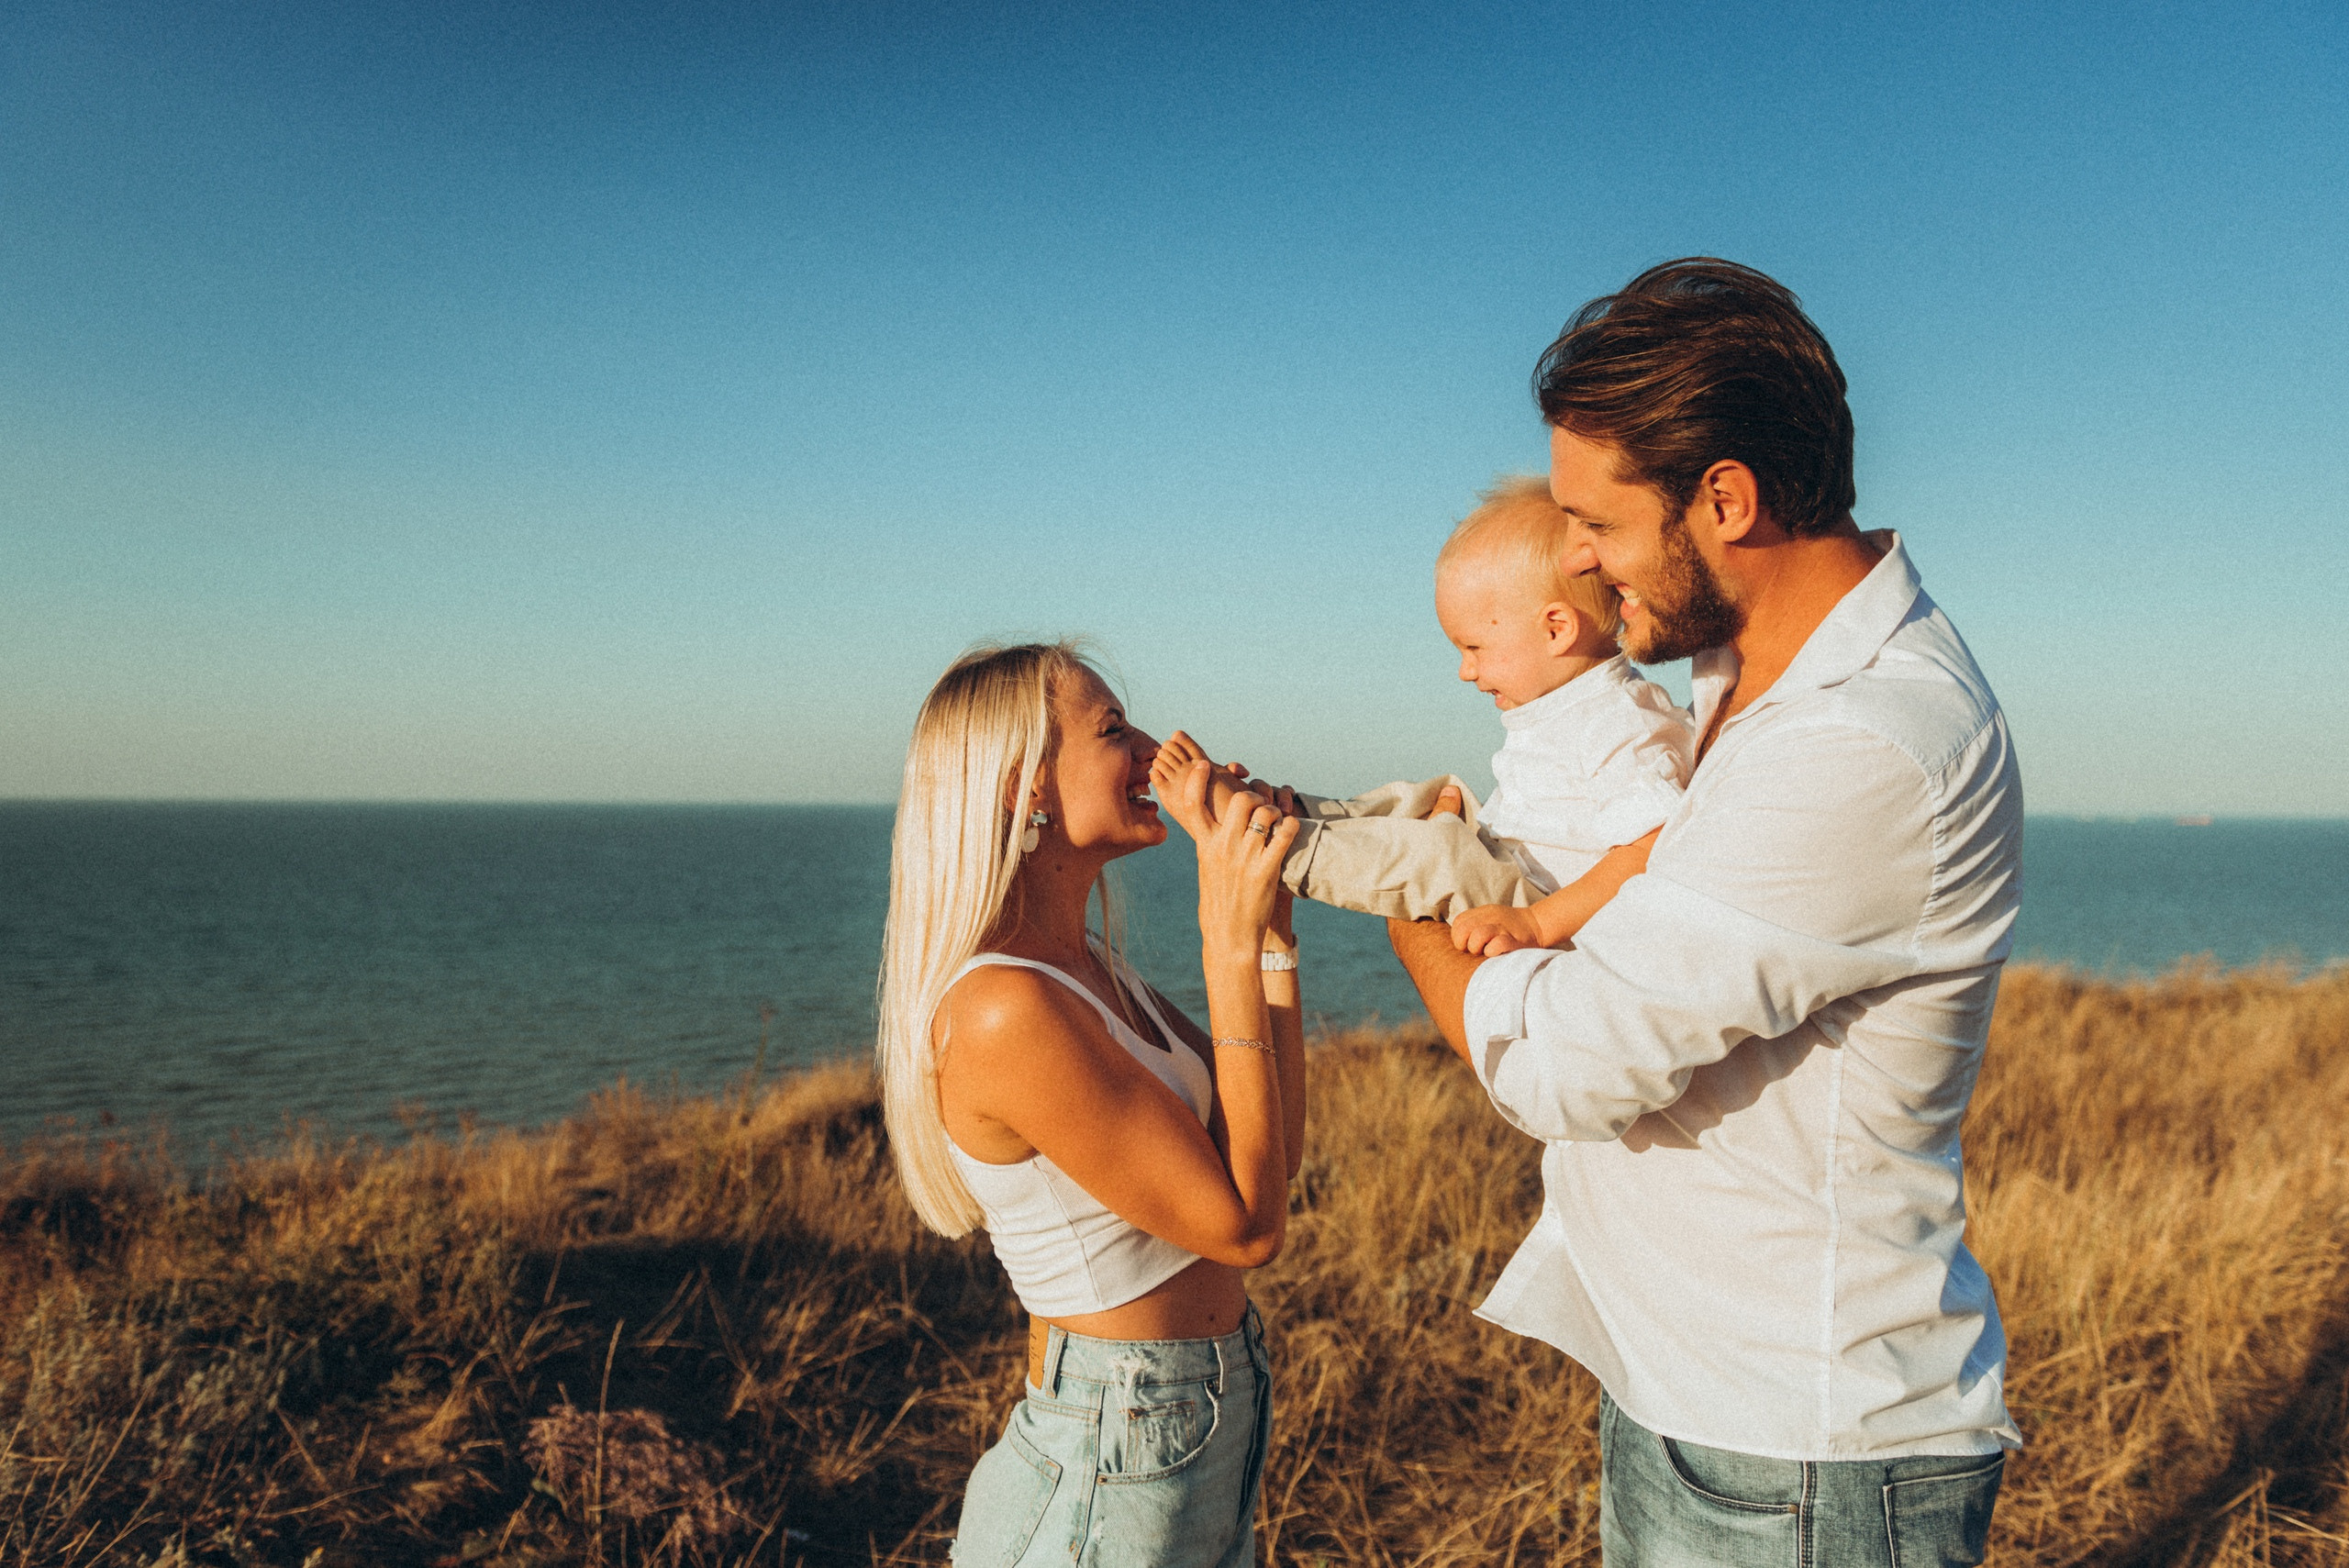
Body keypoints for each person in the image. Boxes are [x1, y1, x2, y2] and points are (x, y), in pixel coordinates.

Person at [1386, 259, 2023, 1567]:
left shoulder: (1859, 741)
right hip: (1714, 1403)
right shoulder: (1750, 675)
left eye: (1596, 523)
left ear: (1723, 499)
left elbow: (1568, 1067)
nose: (1572, 556)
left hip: (1798, 1457)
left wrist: (1418, 894)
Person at [875, 640, 1306, 1568]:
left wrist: (1270, 936)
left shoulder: (1094, 974)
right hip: (1115, 1443)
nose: (1156, 751)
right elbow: (1243, 1229)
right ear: (1024, 786)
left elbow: (1265, 1161)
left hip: (1191, 1419)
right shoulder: (1004, 1006)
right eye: (1114, 730)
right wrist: (1224, 935)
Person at [1151, 475, 1693, 957]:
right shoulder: (1565, 707)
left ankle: (1280, 846)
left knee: (1437, 857)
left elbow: (1652, 848)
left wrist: (1536, 923)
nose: (1465, 671)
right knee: (1437, 799)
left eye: (1475, 648)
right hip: (1519, 869)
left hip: (1560, 913)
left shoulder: (1620, 722)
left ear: (1555, 629)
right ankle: (1298, 812)